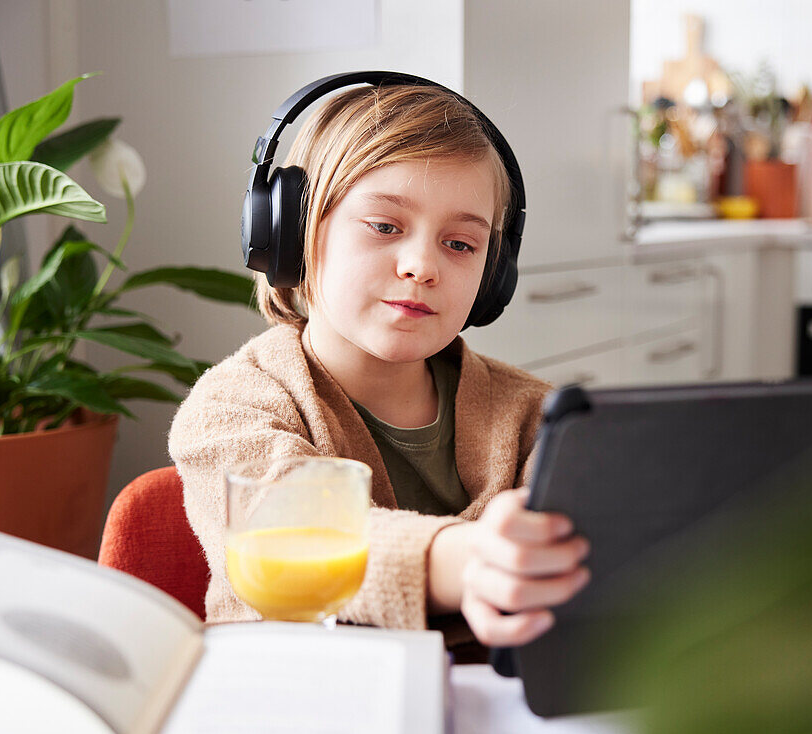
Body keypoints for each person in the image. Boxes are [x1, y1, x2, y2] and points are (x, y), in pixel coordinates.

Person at [167, 80, 591, 655]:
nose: (421, 265)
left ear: (494, 275)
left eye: (461, 244)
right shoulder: (232, 407)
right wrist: (458, 560)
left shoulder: (539, 418)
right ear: (293, 232)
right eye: (386, 226)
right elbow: (282, 531)